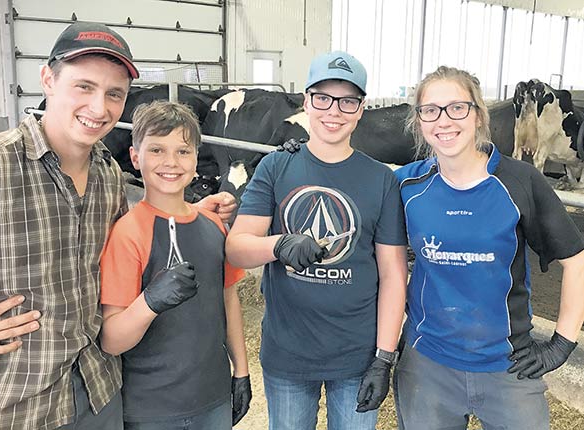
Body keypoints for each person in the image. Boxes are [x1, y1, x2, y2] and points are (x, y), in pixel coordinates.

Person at [0, 22, 236, 430]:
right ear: (48, 79)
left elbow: (137, 231)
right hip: (13, 405)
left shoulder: (109, 174)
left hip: (99, 396)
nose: (99, 107)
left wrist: (189, 210)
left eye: (114, 94)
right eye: (83, 86)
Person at [393, 65, 584, 429]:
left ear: (478, 115)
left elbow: (577, 262)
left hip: (508, 367)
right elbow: (349, 202)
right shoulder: (406, 185)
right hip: (426, 365)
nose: (443, 120)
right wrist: (297, 158)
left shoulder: (519, 181)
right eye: (430, 110)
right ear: (419, 121)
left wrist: (562, 343)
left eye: (457, 107)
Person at [225, 50, 408, 429]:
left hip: (356, 357)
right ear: (306, 102)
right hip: (288, 355)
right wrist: (278, 245)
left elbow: (393, 273)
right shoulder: (277, 167)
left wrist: (384, 357)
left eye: (347, 101)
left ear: (361, 110)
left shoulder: (381, 180)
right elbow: (237, 247)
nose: (333, 111)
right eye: (322, 98)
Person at [99, 100, 251, 430]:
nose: (171, 162)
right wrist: (150, 302)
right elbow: (111, 338)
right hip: (153, 408)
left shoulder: (214, 225)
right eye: (157, 150)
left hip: (214, 398)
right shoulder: (128, 233)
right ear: (136, 158)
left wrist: (241, 370)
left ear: (198, 159)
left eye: (183, 151)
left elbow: (229, 300)